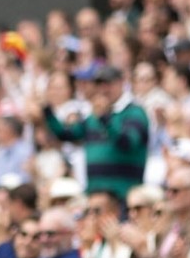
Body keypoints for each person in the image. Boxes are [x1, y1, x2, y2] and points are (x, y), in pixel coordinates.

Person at [39, 65, 150, 203]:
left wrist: (104, 119)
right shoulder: (93, 116)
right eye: (100, 85)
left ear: (121, 82)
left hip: (124, 195)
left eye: (108, 84)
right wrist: (47, 110)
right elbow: (66, 134)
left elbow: (126, 143)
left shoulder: (134, 112)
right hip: (95, 194)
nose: (104, 89)